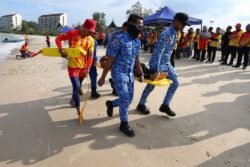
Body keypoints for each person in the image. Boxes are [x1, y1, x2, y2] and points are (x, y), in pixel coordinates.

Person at [98, 14, 144, 137]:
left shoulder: (137, 41)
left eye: (142, 26)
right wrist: (102, 77)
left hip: (129, 74)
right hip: (118, 72)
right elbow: (110, 60)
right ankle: (124, 124)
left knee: (129, 100)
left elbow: (137, 58)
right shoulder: (119, 39)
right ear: (131, 24)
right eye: (139, 26)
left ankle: (111, 104)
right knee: (124, 98)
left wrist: (140, 73)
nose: (141, 29)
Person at [136, 12, 190, 117]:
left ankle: (165, 105)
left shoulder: (175, 33)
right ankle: (141, 104)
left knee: (175, 83)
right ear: (177, 22)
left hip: (166, 63)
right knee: (151, 85)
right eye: (183, 24)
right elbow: (158, 53)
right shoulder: (166, 34)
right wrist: (156, 70)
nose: (183, 27)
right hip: (157, 63)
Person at [55, 19, 96, 118]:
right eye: (89, 31)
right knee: (76, 87)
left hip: (83, 67)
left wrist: (88, 69)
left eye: (92, 32)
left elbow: (90, 56)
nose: (90, 33)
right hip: (72, 66)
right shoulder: (72, 33)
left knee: (79, 85)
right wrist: (61, 50)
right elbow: (58, 39)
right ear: (83, 28)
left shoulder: (91, 40)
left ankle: (72, 100)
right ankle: (78, 111)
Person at [106, 22, 128, 96]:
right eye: (122, 28)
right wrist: (108, 56)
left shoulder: (128, 35)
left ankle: (113, 81)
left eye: (125, 28)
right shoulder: (115, 34)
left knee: (120, 75)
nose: (123, 29)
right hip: (114, 56)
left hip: (123, 58)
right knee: (115, 72)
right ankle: (115, 89)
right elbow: (110, 45)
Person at [89, 32, 101, 98]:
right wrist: (94, 60)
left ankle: (79, 88)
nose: (96, 35)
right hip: (90, 61)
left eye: (97, 34)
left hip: (82, 61)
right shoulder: (94, 41)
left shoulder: (85, 39)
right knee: (94, 76)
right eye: (95, 34)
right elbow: (93, 53)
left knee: (81, 76)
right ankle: (93, 92)